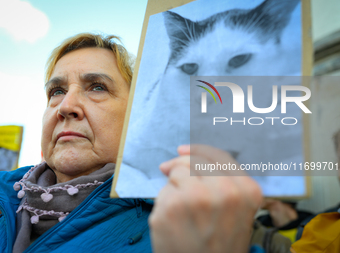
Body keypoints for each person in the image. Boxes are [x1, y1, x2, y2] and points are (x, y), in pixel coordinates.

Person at [0, 33, 263, 253]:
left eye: (97, 87)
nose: (66, 106)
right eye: (57, 92)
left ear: (139, 117)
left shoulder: (191, 224)